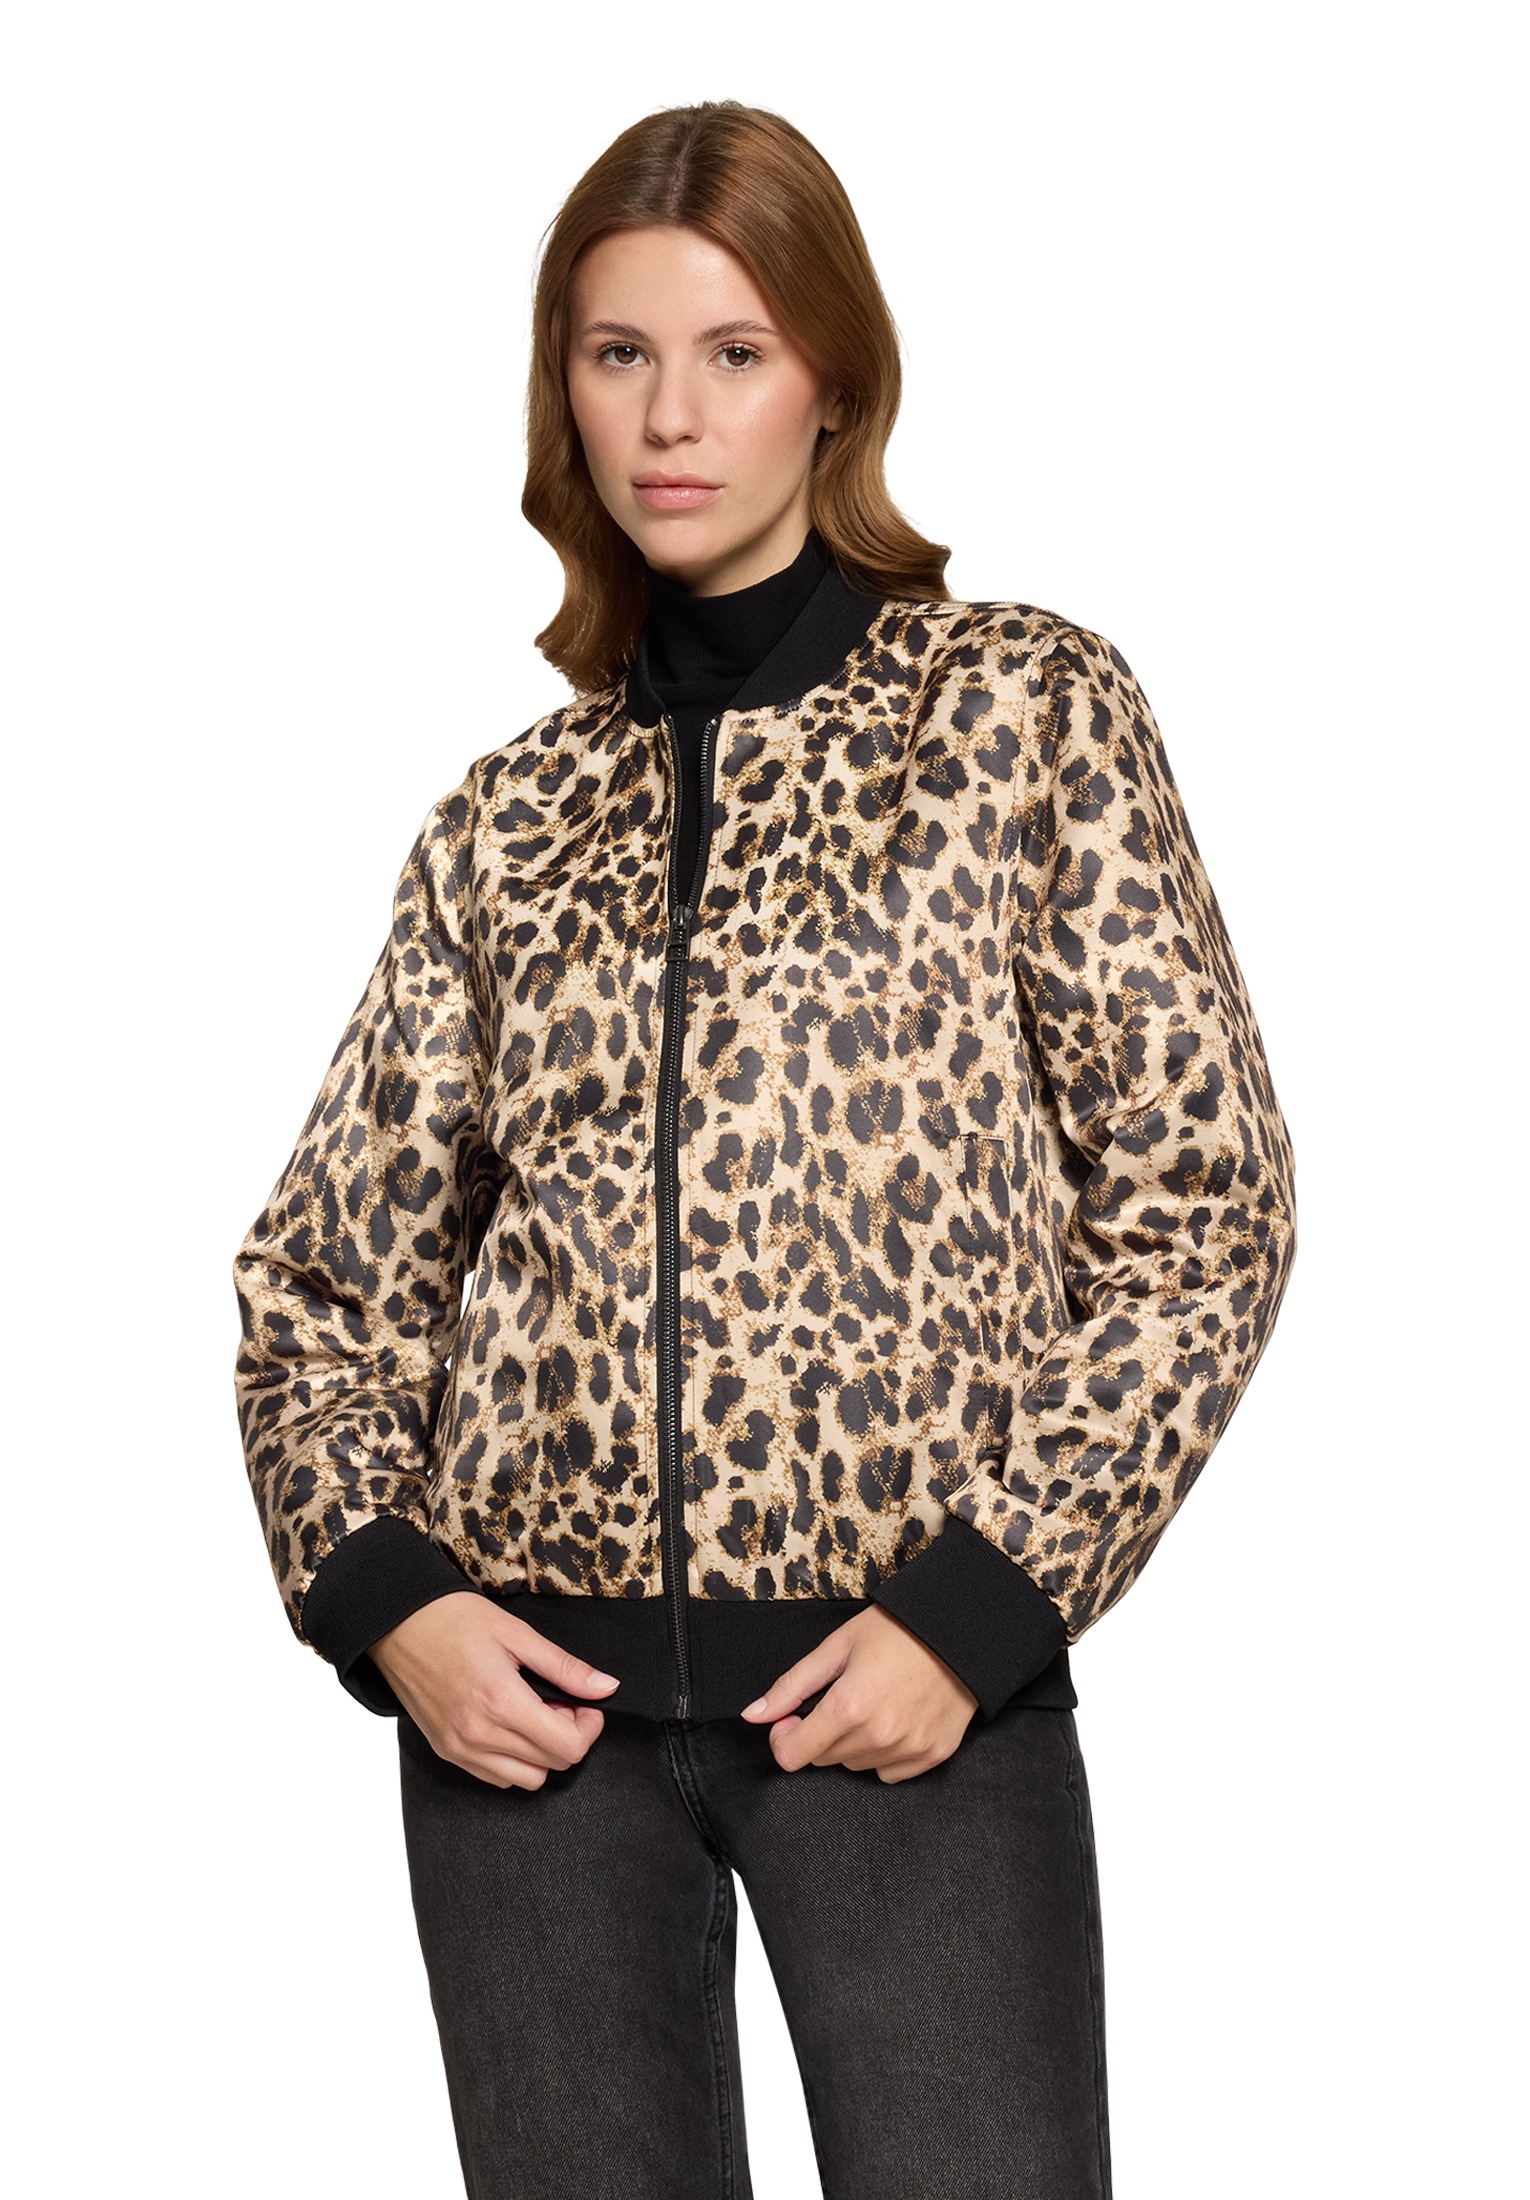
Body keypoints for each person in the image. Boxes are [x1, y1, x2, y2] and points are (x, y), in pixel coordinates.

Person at [232, 99, 1297, 2200]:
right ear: (561, 392)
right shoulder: (509, 819)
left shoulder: (1019, 716)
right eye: (617, 353)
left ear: (834, 381)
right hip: (530, 1747)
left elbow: (1207, 1207)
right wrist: (388, 1600)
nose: (670, 416)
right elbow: (322, 1284)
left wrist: (980, 1605)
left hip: (900, 1701)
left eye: (733, 351)